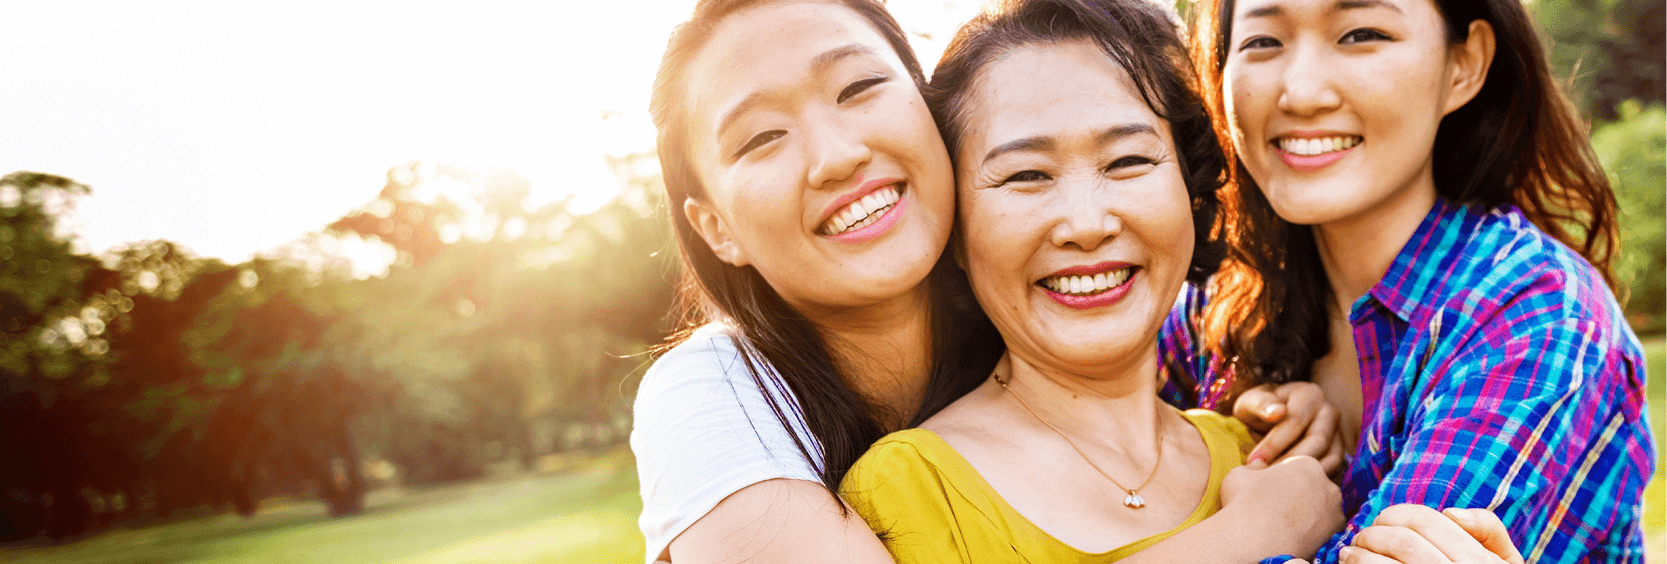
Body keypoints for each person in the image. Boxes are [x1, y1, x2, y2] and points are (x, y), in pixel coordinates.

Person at [632, 1, 1341, 562]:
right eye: (762, 137)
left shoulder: (1074, 335)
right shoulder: (714, 394)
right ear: (714, 227)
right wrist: (1256, 529)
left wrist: (1268, 408)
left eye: (859, 86)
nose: (837, 156)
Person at [1180, 0, 1656, 561]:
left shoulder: (1537, 312)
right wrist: (1217, 438)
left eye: (1361, 33)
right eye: (1263, 42)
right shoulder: (1211, 304)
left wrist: (1256, 527)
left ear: (1465, 65)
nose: (1301, 93)